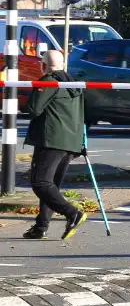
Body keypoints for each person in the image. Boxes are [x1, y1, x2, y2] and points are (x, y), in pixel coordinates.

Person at [23, 50, 87, 240]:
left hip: (51, 139)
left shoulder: (48, 81)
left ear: (43, 65)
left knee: (40, 182)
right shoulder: (73, 83)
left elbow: (33, 109)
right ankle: (41, 226)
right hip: (71, 142)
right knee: (51, 186)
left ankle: (72, 213)